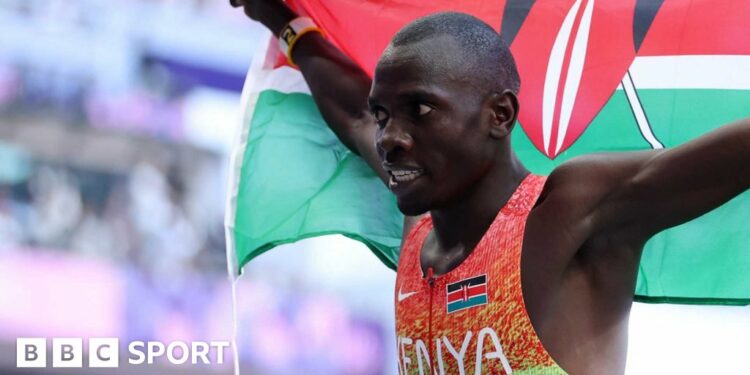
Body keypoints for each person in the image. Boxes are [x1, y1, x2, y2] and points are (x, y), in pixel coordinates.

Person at [232, 1, 750, 374]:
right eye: (386, 114)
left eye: (420, 109)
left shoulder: (566, 211)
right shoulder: (418, 224)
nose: (390, 137)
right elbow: (351, 113)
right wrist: (283, 20)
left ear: (499, 115)